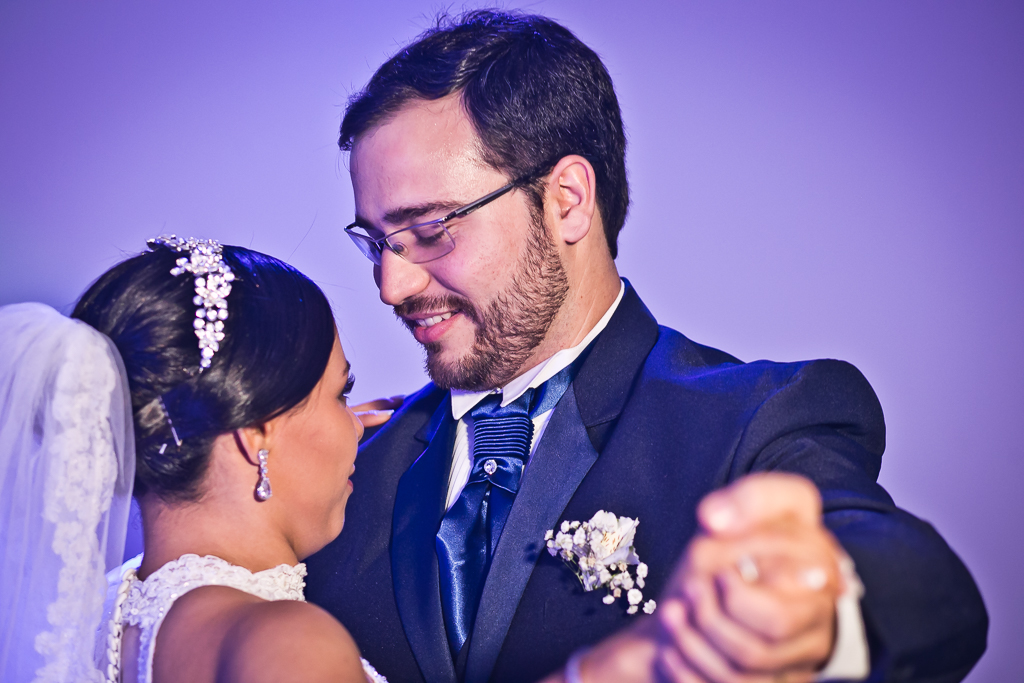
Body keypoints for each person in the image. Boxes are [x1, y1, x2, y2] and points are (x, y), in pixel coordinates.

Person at [303, 10, 988, 683]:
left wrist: (821, 607)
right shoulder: (343, 469)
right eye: (375, 242)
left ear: (567, 200)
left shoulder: (751, 418)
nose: (391, 286)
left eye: (429, 229)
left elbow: (922, 586)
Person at [0, 236, 711, 683]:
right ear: (258, 436)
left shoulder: (96, 612)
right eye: (340, 395)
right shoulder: (283, 641)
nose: (360, 426)